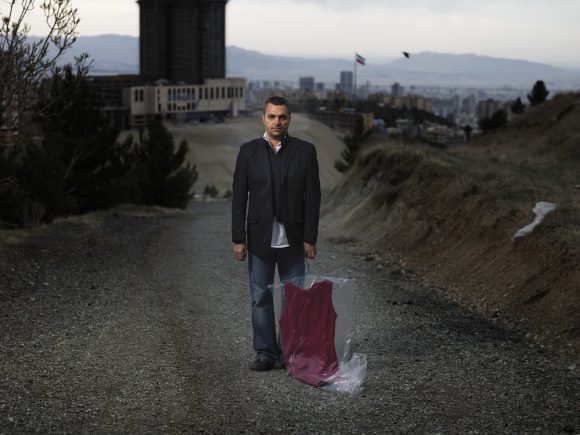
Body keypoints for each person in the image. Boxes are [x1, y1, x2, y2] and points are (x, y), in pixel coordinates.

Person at [231, 96, 321, 371]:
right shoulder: (248, 152)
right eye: (272, 116)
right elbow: (239, 198)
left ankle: (290, 353)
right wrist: (238, 238)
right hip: (259, 239)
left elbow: (313, 197)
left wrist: (309, 238)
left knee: (294, 299)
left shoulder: (305, 151)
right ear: (264, 118)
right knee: (260, 297)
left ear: (289, 119)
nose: (277, 121)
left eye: (282, 116)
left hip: (293, 240)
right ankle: (265, 353)